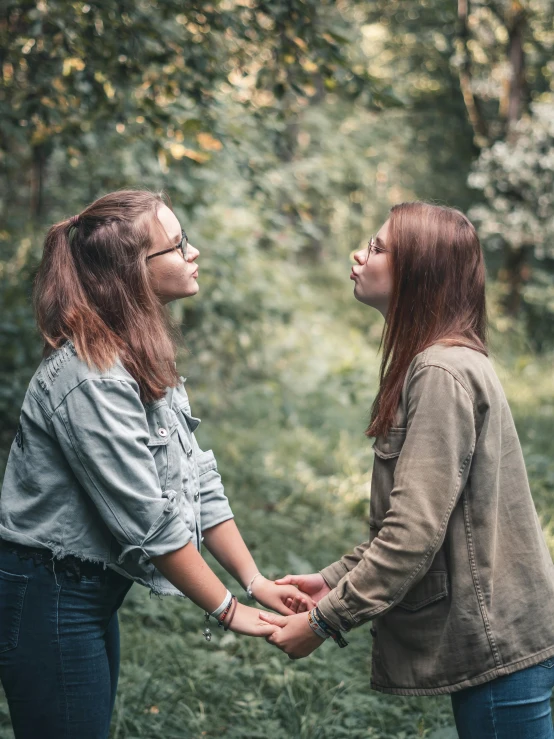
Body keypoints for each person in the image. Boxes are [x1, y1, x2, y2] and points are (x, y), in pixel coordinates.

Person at [0, 190, 308, 739]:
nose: (193, 253)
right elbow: (149, 523)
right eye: (177, 244)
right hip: (49, 592)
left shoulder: (137, 351)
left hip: (88, 590)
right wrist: (228, 611)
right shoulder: (90, 375)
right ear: (130, 271)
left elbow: (196, 479)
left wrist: (254, 580)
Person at [260, 202, 554, 739]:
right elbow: (427, 525)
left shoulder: (441, 370)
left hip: (499, 645)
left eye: (376, 247)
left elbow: (412, 536)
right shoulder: (443, 362)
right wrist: (329, 581)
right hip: (506, 639)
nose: (358, 253)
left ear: (418, 270)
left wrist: (323, 623)